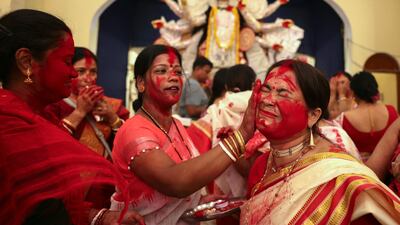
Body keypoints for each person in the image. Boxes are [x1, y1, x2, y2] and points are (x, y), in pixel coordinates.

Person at [0, 9, 144, 225]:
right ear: (26, 62)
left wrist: (99, 216)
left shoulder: (44, 115)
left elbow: (53, 203)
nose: (74, 74)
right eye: (67, 61)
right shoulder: (8, 124)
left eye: (92, 71)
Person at [110, 44, 260, 225]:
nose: (173, 77)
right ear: (141, 83)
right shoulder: (135, 131)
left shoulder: (176, 124)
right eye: (162, 70)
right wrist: (241, 135)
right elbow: (175, 182)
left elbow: (185, 185)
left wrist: (200, 201)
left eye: (178, 72)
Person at [242, 60, 400, 225]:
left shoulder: (342, 180)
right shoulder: (260, 166)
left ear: (313, 115)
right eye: (265, 89)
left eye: (282, 92)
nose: (268, 100)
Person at [44, 47, 130, 158]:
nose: (88, 78)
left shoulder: (112, 105)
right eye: (81, 71)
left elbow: (127, 145)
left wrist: (113, 118)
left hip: (104, 172)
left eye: (93, 72)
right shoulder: (53, 103)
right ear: (68, 71)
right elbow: (50, 143)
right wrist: (79, 112)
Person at [338, 71, 398, 162]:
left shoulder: (345, 118)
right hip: (391, 171)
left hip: (362, 173)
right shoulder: (392, 111)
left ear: (353, 93)